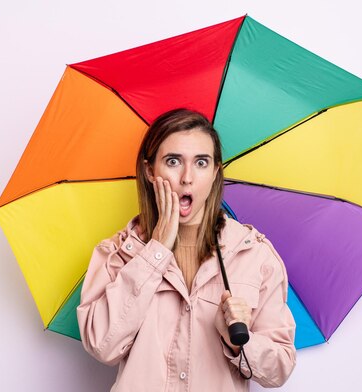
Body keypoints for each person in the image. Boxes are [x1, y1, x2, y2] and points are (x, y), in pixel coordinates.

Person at [77, 108, 297, 391]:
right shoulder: (118, 253)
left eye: (201, 162)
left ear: (216, 171)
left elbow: (279, 369)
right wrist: (155, 251)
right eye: (173, 161)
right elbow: (101, 345)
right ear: (149, 171)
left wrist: (239, 340)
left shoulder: (254, 255)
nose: (187, 178)